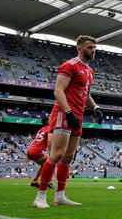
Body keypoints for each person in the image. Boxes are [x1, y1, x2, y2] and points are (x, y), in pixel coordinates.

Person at [32, 35, 103, 209]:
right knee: (57, 154)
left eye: (94, 48)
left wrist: (95, 108)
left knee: (68, 158)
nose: (93, 51)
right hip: (64, 113)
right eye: (89, 47)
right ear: (80, 48)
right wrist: (68, 112)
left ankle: (60, 196)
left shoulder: (90, 71)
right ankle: (40, 197)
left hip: (78, 116)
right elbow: (58, 91)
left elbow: (86, 95)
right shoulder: (69, 65)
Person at [26, 116, 54, 189]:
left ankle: (35, 181)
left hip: (31, 150)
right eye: (50, 118)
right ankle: (49, 182)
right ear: (48, 122)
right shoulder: (49, 129)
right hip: (38, 150)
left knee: (44, 165)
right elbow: (50, 141)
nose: (52, 119)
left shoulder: (40, 130)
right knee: (53, 161)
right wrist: (51, 152)